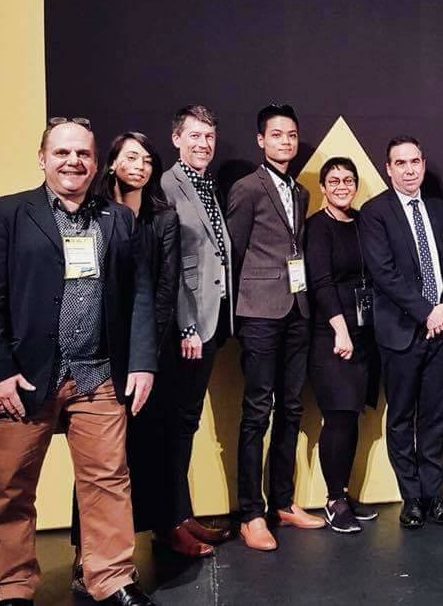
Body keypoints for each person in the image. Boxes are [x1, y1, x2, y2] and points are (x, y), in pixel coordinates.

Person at [0, 117, 157, 605]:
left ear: (96, 162)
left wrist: (141, 362)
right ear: (42, 158)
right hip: (23, 379)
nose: (73, 161)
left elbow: (138, 294)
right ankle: (12, 586)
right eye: (62, 153)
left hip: (98, 375)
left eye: (83, 154)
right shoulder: (6, 213)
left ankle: (111, 578)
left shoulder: (119, 218)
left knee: (108, 482)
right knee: (10, 488)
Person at [68, 132, 179, 594]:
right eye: (131, 157)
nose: (140, 165)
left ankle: (121, 558)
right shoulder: (90, 213)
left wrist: (146, 355)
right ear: (111, 163)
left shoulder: (162, 218)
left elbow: (163, 290)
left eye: (148, 159)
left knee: (132, 457)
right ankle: (84, 555)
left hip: (145, 357)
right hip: (95, 356)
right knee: (96, 461)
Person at [226, 104, 324, 551]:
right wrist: (238, 314)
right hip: (260, 313)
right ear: (261, 140)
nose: (286, 141)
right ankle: (251, 512)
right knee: (256, 412)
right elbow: (234, 252)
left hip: (298, 310)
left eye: (292, 135)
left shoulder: (300, 192)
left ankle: (282, 502)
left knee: (291, 409)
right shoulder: (247, 188)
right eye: (277, 134)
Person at [360, 136, 443, 530]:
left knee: (435, 417)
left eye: (414, 161)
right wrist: (425, 313)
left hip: (442, 329)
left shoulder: (437, 208)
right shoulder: (375, 212)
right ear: (388, 169)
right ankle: (412, 498)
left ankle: (434, 495)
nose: (409, 169)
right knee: (401, 418)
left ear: (423, 163)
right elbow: (383, 273)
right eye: (400, 163)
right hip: (402, 332)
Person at [158, 105, 235, 556]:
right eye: (194, 136)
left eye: (209, 136)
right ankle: (168, 523)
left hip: (212, 322)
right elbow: (168, 265)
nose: (203, 144)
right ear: (176, 139)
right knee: (174, 423)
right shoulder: (167, 185)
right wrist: (186, 324)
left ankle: (181, 514)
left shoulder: (207, 185)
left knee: (186, 421)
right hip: (185, 328)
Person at [306, 157, 381, 534]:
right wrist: (340, 330)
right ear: (322, 187)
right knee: (337, 415)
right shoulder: (316, 228)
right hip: (331, 335)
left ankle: (344, 492)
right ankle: (334, 499)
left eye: (348, 180)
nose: (341, 186)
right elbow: (320, 282)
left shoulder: (363, 223)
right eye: (333, 181)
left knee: (351, 415)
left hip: (364, 332)